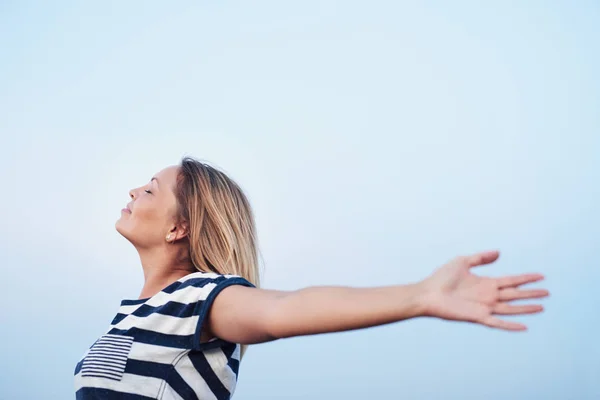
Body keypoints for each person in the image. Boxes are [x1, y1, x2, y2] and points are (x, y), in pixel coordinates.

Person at [74, 156, 549, 399]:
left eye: (151, 189)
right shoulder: (134, 315)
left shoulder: (200, 299)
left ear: (179, 228)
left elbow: (283, 310)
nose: (135, 189)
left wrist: (420, 296)